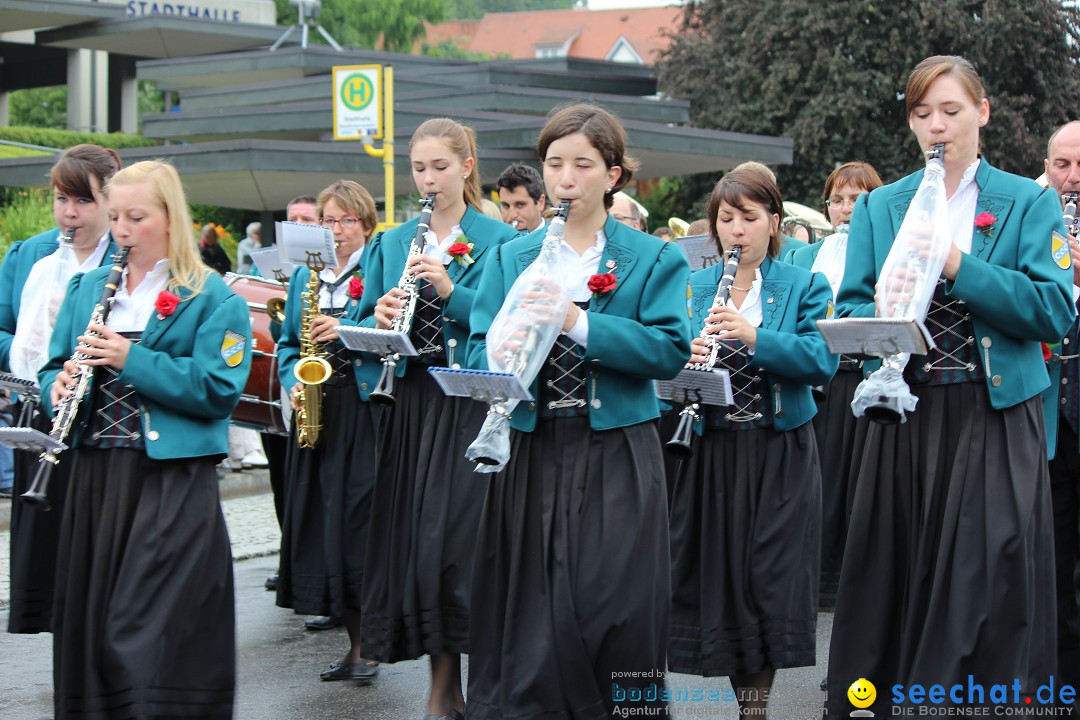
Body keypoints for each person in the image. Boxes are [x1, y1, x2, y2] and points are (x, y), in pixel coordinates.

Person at [825, 57, 1073, 715]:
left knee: (987, 577)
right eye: (922, 113)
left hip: (993, 417)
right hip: (904, 416)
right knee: (892, 572)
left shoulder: (1028, 199)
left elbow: (1054, 311)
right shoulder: (882, 204)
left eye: (951, 110)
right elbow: (850, 306)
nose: (937, 125)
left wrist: (959, 263)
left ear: (983, 113)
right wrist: (876, 311)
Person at [466, 103, 692, 718]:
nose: (565, 177)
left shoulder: (652, 256)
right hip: (530, 448)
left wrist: (577, 322)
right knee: (532, 606)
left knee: (614, 603)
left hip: (617, 447)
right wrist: (500, 352)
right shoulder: (513, 257)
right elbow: (474, 339)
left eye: (582, 164)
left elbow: (671, 350)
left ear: (612, 176)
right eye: (554, 163)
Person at [40, 159, 250, 719]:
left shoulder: (211, 296)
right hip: (94, 475)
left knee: (144, 621)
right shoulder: (89, 286)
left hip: (170, 480)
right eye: (114, 218)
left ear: (169, 218)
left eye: (136, 217)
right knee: (93, 615)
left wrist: (133, 357)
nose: (122, 230)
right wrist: (56, 385)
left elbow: (217, 389)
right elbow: (52, 366)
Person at [359, 117, 517, 720]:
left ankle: (488, 678)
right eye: (419, 168)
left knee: (466, 545)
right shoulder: (394, 240)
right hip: (411, 404)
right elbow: (365, 323)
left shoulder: (498, 237)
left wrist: (451, 291)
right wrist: (378, 315)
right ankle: (442, 682)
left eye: (440, 167)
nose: (428, 179)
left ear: (467, 166)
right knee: (422, 544)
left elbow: (508, 321)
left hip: (469, 401)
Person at [667, 168, 836, 716]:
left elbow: (820, 362)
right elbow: (660, 363)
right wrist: (682, 362)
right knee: (723, 576)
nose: (737, 229)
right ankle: (742, 696)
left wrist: (753, 336)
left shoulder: (805, 285)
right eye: (726, 217)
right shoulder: (690, 285)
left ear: (774, 223)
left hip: (779, 450)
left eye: (749, 217)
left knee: (772, 578)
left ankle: (755, 707)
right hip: (709, 450)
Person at [0, 143, 121, 634]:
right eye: (61, 199)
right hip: (37, 408)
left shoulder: (123, 252)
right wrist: (27, 346)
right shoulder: (30, 253)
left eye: (84, 201)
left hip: (101, 414)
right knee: (45, 536)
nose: (70, 213)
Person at [275, 179, 383, 680]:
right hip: (317, 406)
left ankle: (370, 647)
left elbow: (393, 336)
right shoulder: (304, 277)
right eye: (327, 220)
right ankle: (352, 641)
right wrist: (292, 384)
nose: (335, 230)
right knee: (325, 524)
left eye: (345, 220)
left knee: (360, 525)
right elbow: (285, 344)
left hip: (362, 410)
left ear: (364, 223)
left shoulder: (379, 267)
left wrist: (342, 331)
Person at [788, 161, 883, 609]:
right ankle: (813, 579)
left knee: (857, 483)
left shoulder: (888, 249)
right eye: (838, 200)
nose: (847, 208)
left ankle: (851, 579)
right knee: (816, 480)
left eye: (859, 199)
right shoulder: (803, 256)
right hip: (815, 381)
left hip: (861, 378)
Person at [1042, 119, 1080, 692]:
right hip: (1044, 416)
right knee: (1046, 560)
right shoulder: (1031, 219)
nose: (1072, 180)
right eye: (1062, 166)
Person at [496, 162, 547, 233]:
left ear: (540, 202)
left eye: (520, 205)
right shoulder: (496, 241)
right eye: (506, 206)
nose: (512, 215)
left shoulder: (560, 240)